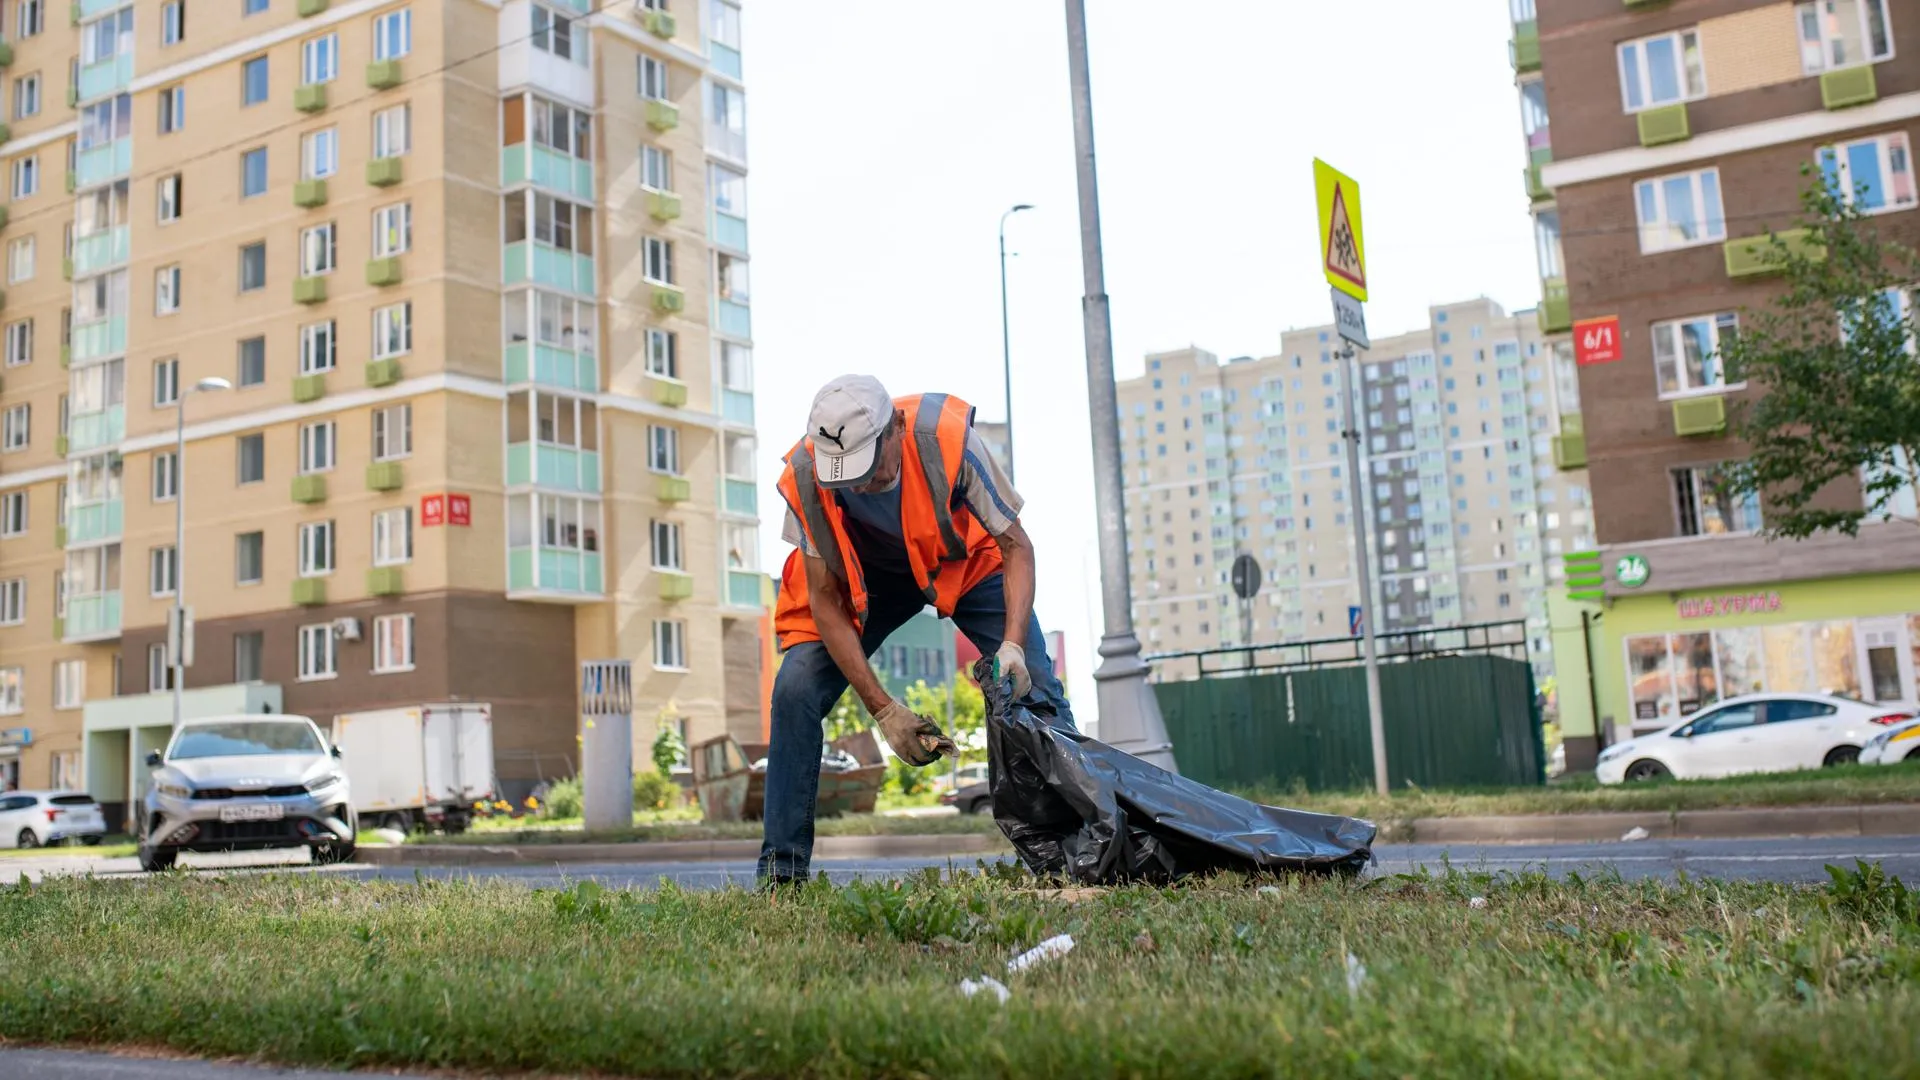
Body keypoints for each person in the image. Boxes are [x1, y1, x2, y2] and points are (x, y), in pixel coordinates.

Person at [758, 375, 1075, 884]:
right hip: (864, 579)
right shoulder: (806, 475)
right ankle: (781, 879)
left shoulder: (946, 442)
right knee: (794, 689)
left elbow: (1017, 546)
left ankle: (1079, 849)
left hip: (958, 564)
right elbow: (822, 598)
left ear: (896, 429)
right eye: (847, 478)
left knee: (1034, 678)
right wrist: (883, 710)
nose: (859, 487)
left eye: (867, 468)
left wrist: (1012, 645)